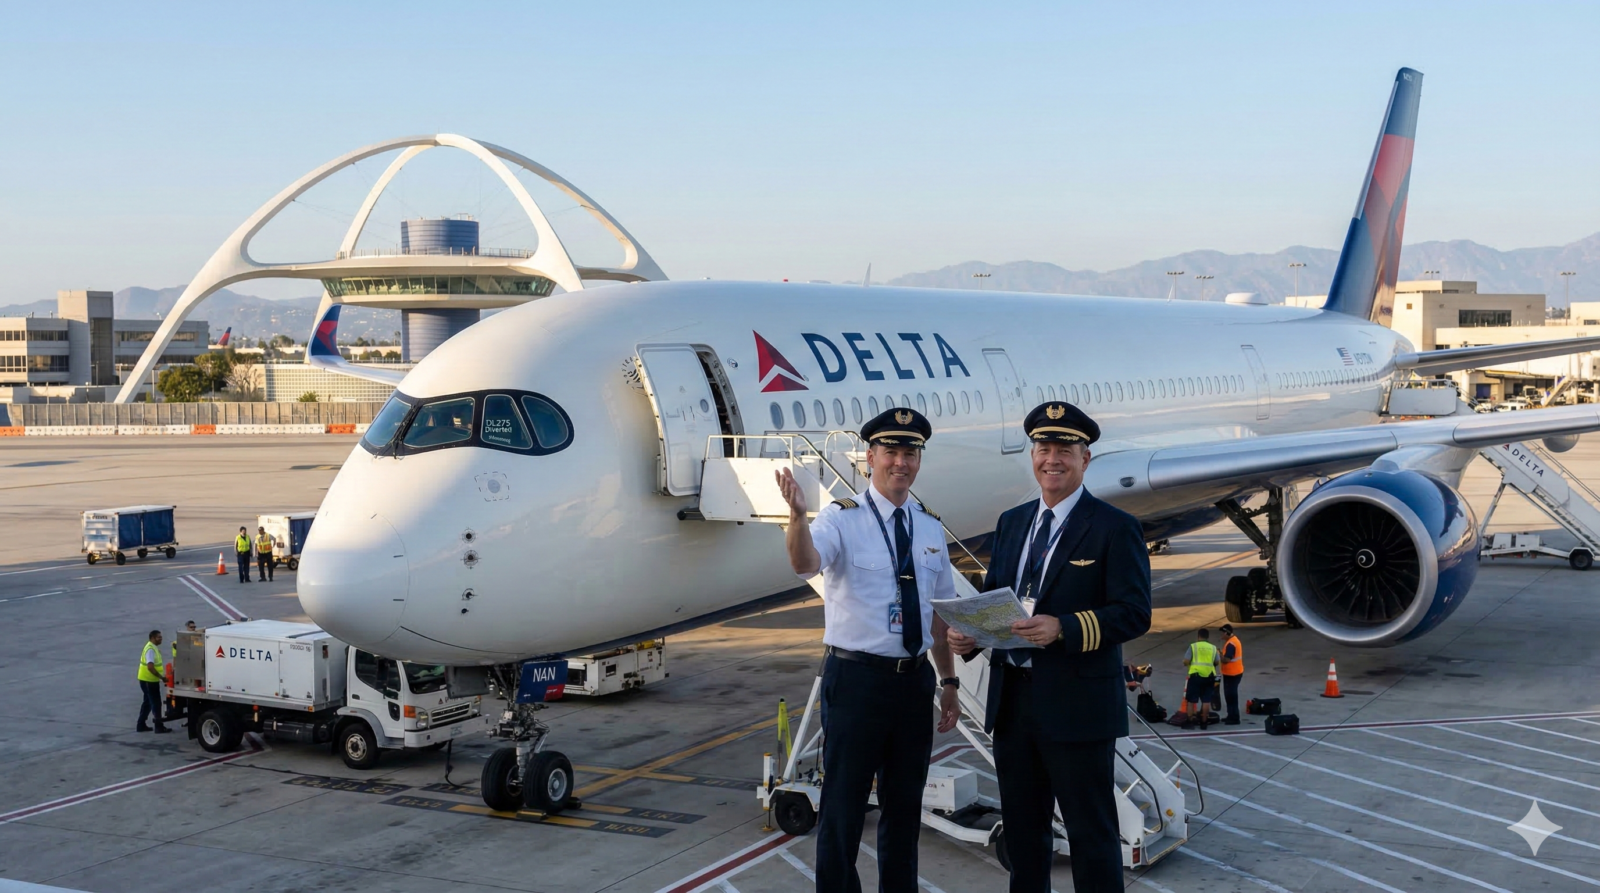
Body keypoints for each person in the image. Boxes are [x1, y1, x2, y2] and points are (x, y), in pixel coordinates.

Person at [947, 401, 1152, 893]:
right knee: (1023, 834)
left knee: (1091, 834)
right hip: (1015, 705)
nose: (1052, 459)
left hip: (1078, 707)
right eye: (1043, 448)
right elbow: (999, 601)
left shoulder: (1113, 527)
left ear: (1085, 460)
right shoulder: (1013, 522)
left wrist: (1065, 627)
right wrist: (971, 637)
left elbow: (1134, 613)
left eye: (1065, 449)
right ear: (1032, 455)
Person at [776, 406, 961, 893]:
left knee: (904, 810)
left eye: (910, 453)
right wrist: (796, 517)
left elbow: (938, 615)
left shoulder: (928, 527)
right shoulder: (842, 519)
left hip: (914, 681)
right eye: (891, 452)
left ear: (918, 460)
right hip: (857, 682)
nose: (900, 462)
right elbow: (804, 563)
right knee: (843, 808)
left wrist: (949, 683)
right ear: (869, 458)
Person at [1182, 628, 1220, 728]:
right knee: (1206, 700)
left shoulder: (1193, 646)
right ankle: (1204, 722)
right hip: (1209, 676)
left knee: (1191, 700)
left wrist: (1190, 665)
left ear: (1198, 636)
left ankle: (1190, 721)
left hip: (1196, 676)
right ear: (1207, 637)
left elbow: (1186, 661)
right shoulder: (1213, 648)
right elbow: (1217, 662)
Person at [137, 630, 171, 733]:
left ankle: (141, 725)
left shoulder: (152, 647)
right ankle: (158, 726)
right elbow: (150, 667)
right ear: (152, 638)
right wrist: (162, 677)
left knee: (147, 702)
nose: (161, 639)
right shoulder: (150, 649)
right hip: (149, 680)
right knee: (155, 703)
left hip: (146, 679)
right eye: (158, 637)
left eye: (161, 637)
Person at [1218, 623, 1244, 725]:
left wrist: (1219, 654)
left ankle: (1234, 718)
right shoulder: (1234, 640)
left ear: (1226, 633)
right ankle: (1231, 715)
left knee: (1231, 696)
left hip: (1232, 674)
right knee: (1231, 696)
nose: (1221, 635)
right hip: (1235, 673)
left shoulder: (1230, 644)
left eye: (1222, 633)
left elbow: (1226, 660)